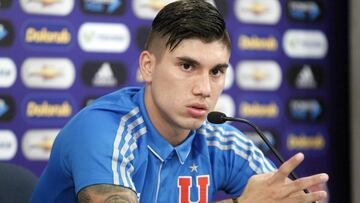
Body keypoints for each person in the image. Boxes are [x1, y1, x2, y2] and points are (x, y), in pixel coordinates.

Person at [30, 1, 329, 202]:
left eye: (217, 71)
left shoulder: (219, 140)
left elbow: (276, 195)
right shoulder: (102, 129)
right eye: (187, 66)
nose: (204, 88)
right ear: (148, 66)